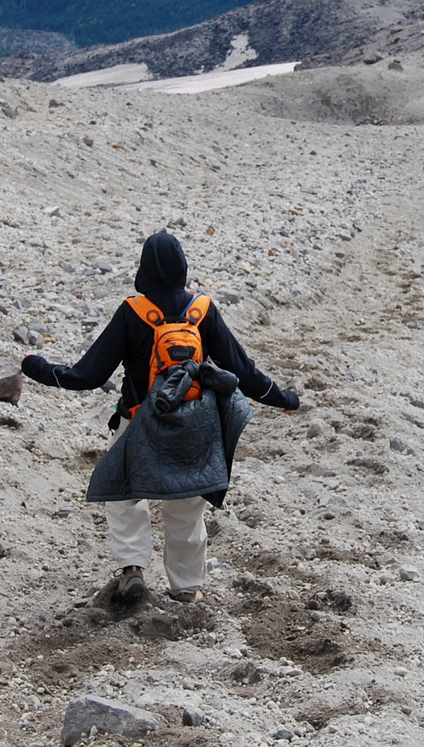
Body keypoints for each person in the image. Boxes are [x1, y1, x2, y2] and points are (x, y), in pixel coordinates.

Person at [20, 232, 299, 604]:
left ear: (143, 271)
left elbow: (87, 376)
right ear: (183, 268)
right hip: (194, 427)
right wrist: (283, 398)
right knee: (186, 508)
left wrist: (36, 366)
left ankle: (133, 569)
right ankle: (186, 589)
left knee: (123, 496)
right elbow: (243, 372)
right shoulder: (202, 311)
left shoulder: (132, 312)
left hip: (137, 422)